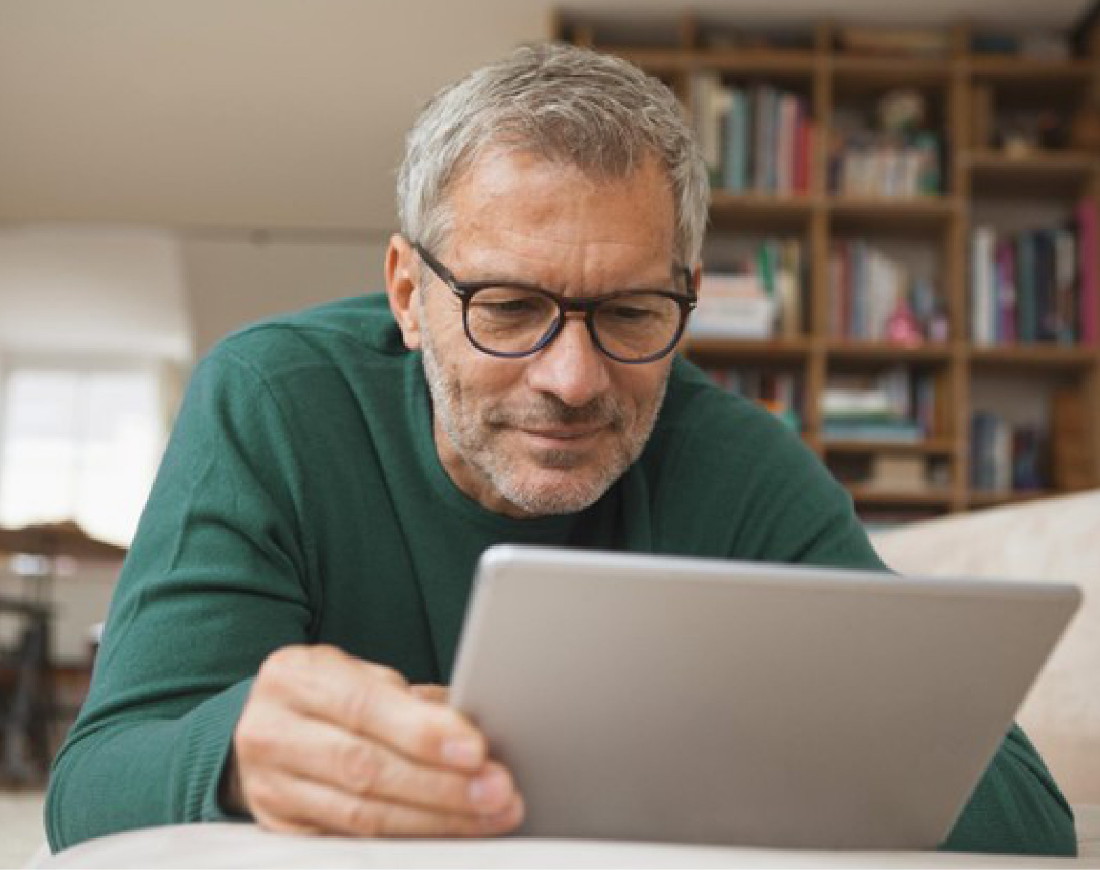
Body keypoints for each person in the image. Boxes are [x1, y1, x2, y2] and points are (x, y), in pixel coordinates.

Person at [45, 43, 1075, 855]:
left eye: (629, 311)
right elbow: (91, 792)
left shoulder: (742, 464)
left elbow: (1030, 824)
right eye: (507, 306)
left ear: (686, 295)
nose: (571, 379)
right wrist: (233, 757)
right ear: (409, 295)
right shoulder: (269, 400)